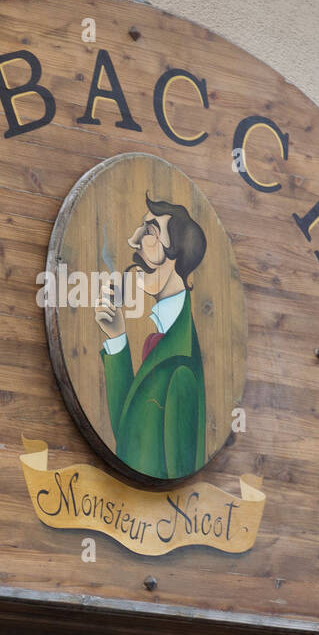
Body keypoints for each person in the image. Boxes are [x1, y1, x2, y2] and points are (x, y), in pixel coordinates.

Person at [94, 195, 207, 479]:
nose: (134, 243)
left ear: (177, 254)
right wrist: (117, 336)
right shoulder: (165, 340)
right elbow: (130, 437)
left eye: (148, 234)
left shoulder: (181, 366)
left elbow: (174, 480)